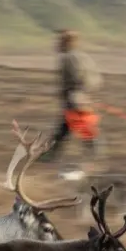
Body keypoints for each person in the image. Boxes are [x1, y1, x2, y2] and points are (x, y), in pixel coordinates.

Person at [42, 28, 104, 169]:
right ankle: (51, 155)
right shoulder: (79, 57)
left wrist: (77, 94)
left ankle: (51, 155)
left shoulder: (70, 58)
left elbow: (77, 79)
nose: (56, 44)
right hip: (78, 98)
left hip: (75, 100)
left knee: (72, 128)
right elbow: (95, 79)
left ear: (66, 42)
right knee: (67, 128)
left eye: (59, 41)